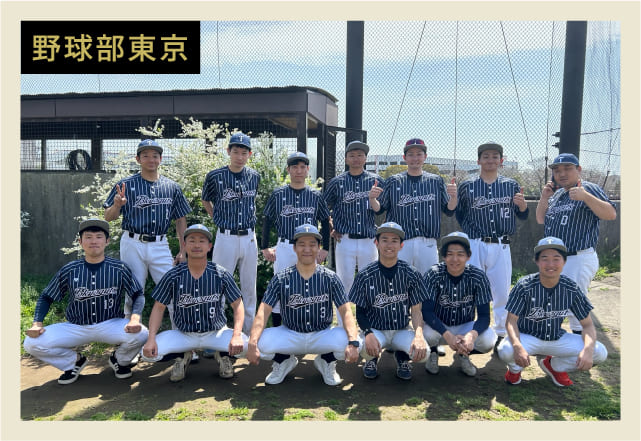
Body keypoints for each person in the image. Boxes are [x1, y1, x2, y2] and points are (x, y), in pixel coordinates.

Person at [23, 219, 148, 385]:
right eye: (88, 237)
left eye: (99, 237)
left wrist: (135, 319)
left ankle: (120, 360)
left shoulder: (119, 268)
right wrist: (37, 323)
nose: (94, 241)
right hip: (76, 326)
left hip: (110, 323)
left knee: (142, 333)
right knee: (31, 343)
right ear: (80, 242)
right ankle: (74, 362)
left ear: (107, 241)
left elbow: (137, 294)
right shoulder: (70, 269)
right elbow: (46, 296)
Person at [104, 138, 194, 365]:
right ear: (138, 159)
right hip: (132, 242)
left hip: (160, 244)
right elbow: (108, 217)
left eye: (155, 155)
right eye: (145, 155)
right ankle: (129, 346)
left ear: (160, 159)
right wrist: (117, 205)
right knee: (133, 293)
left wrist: (183, 250)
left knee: (173, 291)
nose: (151, 159)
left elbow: (181, 220)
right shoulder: (126, 185)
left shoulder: (171, 187)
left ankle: (183, 345)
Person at [246, 224, 360, 386]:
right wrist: (252, 342)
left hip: (322, 334)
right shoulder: (281, 278)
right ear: (294, 248)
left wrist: (353, 342)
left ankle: (326, 361)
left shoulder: (330, 277)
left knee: (358, 342)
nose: (307, 249)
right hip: (290, 333)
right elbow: (263, 311)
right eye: (302, 244)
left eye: (312, 244)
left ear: (319, 248)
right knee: (254, 342)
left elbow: (346, 311)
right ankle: (284, 361)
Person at [141, 224, 248, 382]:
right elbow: (159, 307)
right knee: (148, 354)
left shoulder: (220, 273)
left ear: (209, 246)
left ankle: (222, 355)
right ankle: (183, 356)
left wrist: (237, 335)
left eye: (201, 241)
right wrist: (151, 338)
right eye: (192, 240)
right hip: (183, 334)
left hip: (215, 332)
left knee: (246, 346)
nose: (196, 245)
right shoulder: (173, 275)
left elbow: (238, 304)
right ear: (184, 245)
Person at [497, 237, 608, 387]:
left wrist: (588, 351)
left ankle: (554, 366)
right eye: (545, 259)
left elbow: (587, 325)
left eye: (556, 259)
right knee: (505, 350)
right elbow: (511, 321)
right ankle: (515, 369)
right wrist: (517, 346)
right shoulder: (524, 285)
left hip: (555, 338)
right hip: (527, 337)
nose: (550, 264)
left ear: (564, 261)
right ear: (537, 261)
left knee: (599, 352)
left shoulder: (571, 288)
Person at [455, 142, 529, 347]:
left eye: (495, 156)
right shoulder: (467, 185)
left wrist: (523, 206)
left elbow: (522, 215)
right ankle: (468, 332)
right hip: (475, 243)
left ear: (501, 161)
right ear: (479, 160)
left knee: (501, 292)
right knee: (471, 290)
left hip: (501, 244)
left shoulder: (511, 185)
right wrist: (471, 234)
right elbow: (459, 214)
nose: (490, 160)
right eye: (486, 156)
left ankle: (501, 335)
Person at [535, 153, 616, 334]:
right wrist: (544, 197)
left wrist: (585, 197)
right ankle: (557, 342)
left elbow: (611, 214)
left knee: (574, 305)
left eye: (567, 169)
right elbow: (541, 219)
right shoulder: (558, 194)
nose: (562, 173)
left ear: (578, 170)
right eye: (557, 170)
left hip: (577, 256)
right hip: (557, 260)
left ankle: (582, 344)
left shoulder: (588, 188)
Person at [349, 222, 429, 380]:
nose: (389, 245)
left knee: (423, 352)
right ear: (376, 243)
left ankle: (402, 357)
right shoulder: (365, 274)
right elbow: (360, 313)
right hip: (376, 329)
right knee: (364, 347)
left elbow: (416, 311)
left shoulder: (411, 273)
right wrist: (368, 333)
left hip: (401, 329)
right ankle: (371, 359)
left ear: (401, 245)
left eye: (394, 240)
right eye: (384, 240)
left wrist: (419, 335)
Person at [261, 151, 331, 326]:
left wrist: (325, 248)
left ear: (307, 170)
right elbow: (267, 220)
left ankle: (310, 326)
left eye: (302, 167)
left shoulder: (315, 195)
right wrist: (264, 247)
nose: (298, 171)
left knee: (311, 288)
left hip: (309, 248)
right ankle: (279, 330)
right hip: (285, 246)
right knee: (280, 287)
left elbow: (325, 221)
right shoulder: (278, 194)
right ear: (288, 170)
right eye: (294, 167)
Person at [201, 132, 260, 337]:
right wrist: (216, 217)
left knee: (249, 287)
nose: (240, 156)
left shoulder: (254, 176)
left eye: (244, 153)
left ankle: (249, 333)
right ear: (228, 151)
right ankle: (216, 331)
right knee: (219, 284)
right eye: (236, 151)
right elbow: (205, 199)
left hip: (249, 237)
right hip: (226, 236)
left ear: (249, 154)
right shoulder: (215, 176)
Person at [370, 138, 457, 275]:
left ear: (425, 157)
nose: (415, 158)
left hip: (427, 242)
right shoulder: (393, 181)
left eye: (419, 154)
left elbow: (449, 210)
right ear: (404, 157)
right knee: (399, 281)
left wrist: (453, 197)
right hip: (400, 243)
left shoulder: (436, 181)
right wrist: (372, 199)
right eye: (411, 154)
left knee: (428, 281)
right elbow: (379, 209)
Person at [422, 232, 497, 377]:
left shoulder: (478, 276)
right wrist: (447, 335)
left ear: (468, 256)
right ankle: (433, 352)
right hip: (439, 326)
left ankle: (464, 353)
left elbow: (484, 316)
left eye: (460, 254)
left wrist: (471, 336)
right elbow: (427, 312)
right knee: (426, 334)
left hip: (465, 326)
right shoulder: (433, 274)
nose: (455, 259)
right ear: (444, 256)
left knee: (488, 340)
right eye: (450, 254)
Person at [324, 140, 385, 298]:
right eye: (352, 155)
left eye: (360, 155)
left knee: (371, 282)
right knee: (344, 283)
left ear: (365, 158)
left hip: (369, 240)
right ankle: (344, 315)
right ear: (346, 159)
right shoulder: (337, 182)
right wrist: (331, 226)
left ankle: (369, 315)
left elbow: (385, 208)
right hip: (345, 240)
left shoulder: (376, 181)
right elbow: (323, 207)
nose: (356, 158)